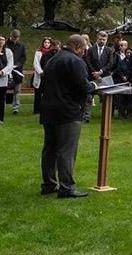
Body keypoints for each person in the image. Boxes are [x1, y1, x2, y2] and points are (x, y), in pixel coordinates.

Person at [39, 35, 97, 199]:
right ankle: (66, 187)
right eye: (84, 49)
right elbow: (83, 87)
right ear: (78, 47)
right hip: (68, 111)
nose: (85, 52)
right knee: (66, 151)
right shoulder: (75, 61)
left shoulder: (53, 59)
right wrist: (94, 85)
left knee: (50, 149)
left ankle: (48, 184)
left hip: (49, 109)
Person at [85, 31, 118, 123]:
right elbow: (88, 62)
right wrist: (94, 73)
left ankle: (106, 116)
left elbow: (110, 63)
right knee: (88, 97)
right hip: (92, 76)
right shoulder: (91, 50)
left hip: (105, 76)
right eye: (100, 39)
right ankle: (86, 116)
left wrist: (101, 72)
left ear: (106, 40)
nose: (102, 41)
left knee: (106, 97)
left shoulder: (109, 50)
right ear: (97, 39)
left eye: (104, 39)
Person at [5, 29, 27, 114]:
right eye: (14, 37)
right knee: (3, 89)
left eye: (16, 37)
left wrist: (17, 64)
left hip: (17, 70)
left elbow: (23, 57)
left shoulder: (21, 45)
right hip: (6, 69)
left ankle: (15, 108)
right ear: (11, 35)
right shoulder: (6, 44)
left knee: (17, 90)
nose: (15, 39)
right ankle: (2, 106)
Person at [32, 37, 53, 114]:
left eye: (48, 43)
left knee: (47, 94)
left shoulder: (52, 53)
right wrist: (41, 72)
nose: (46, 44)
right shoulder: (38, 52)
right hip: (40, 75)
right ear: (43, 43)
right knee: (38, 94)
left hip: (48, 76)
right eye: (45, 42)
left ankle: (45, 109)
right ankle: (37, 110)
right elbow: (36, 64)